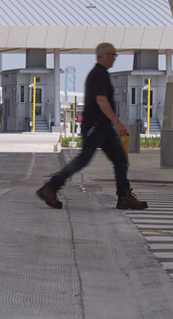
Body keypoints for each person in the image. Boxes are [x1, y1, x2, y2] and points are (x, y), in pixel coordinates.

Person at [37, 42, 146, 210]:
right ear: (107, 55)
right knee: (83, 160)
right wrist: (118, 123)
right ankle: (50, 187)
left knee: (120, 159)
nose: (115, 59)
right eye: (114, 55)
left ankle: (124, 196)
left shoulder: (100, 74)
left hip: (103, 127)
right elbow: (101, 100)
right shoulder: (99, 75)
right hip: (96, 126)